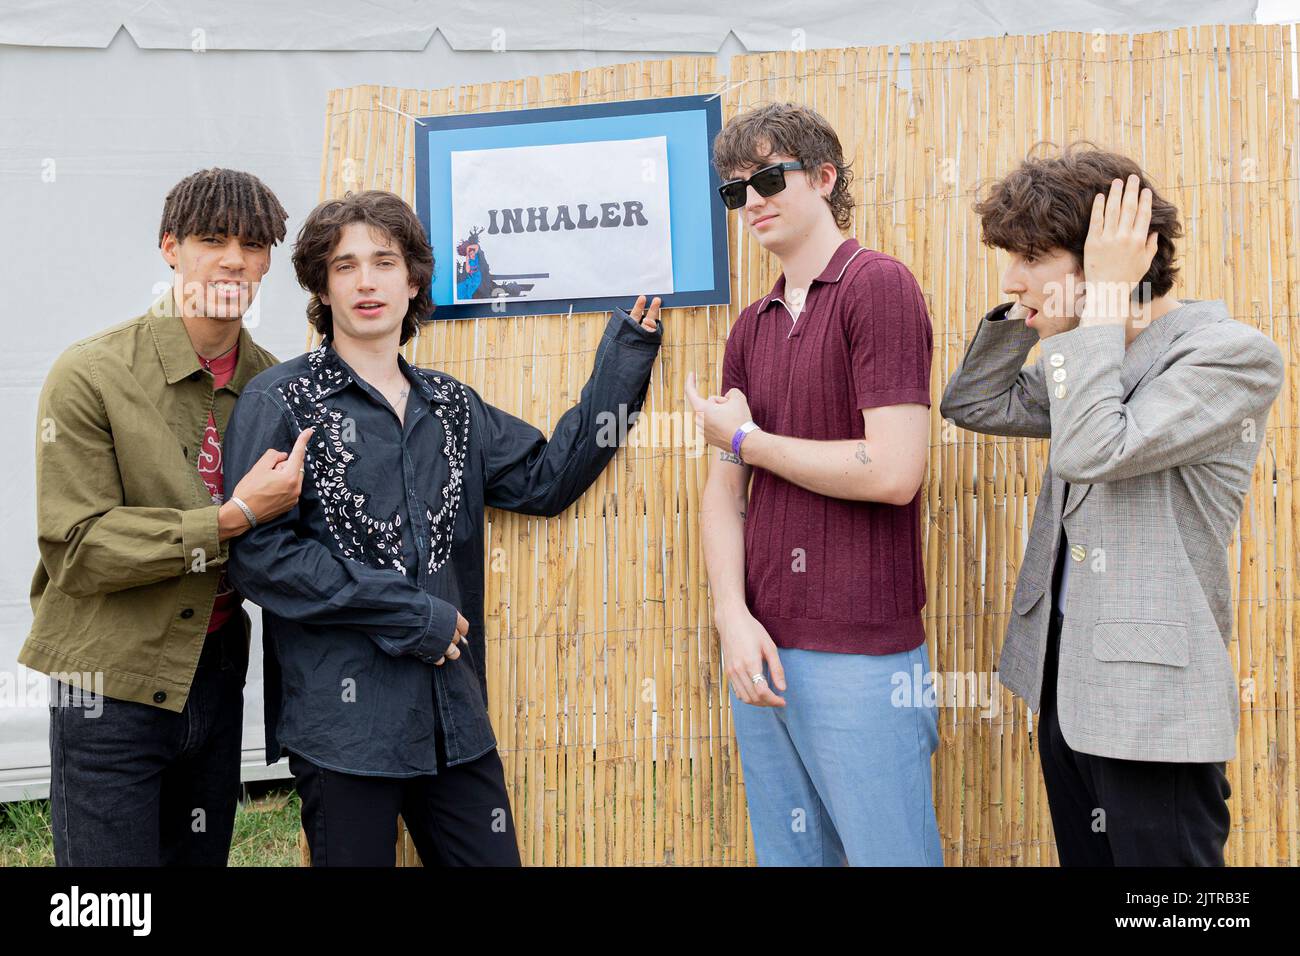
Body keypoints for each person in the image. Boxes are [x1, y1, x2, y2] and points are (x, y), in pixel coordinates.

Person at [223, 189, 663, 866]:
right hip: (344, 729)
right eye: (345, 266)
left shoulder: (452, 406)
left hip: (452, 724)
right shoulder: (282, 399)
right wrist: (404, 611)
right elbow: (258, 556)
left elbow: (547, 480)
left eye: (384, 261)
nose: (367, 281)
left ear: (414, 279)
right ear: (321, 284)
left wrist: (626, 358)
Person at [940, 144, 1285, 865]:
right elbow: (975, 401)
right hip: (1068, 688)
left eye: (1031, 258)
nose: (1010, 278)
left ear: (1110, 261)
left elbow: (1094, 447)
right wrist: (1030, 313)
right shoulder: (1090, 360)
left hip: (1152, 712)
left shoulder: (1228, 354)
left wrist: (1097, 304)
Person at [20, 168, 302, 865]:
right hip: (107, 676)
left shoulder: (275, 389)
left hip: (213, 671)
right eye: (212, 239)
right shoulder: (91, 373)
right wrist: (232, 518)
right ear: (170, 247)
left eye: (252, 242)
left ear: (269, 258)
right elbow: (79, 548)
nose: (234, 258)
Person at [687, 103, 942, 866]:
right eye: (736, 190)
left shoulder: (879, 288)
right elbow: (723, 495)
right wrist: (731, 616)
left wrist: (745, 439)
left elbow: (895, 471)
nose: (753, 200)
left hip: (860, 651)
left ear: (825, 176)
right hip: (760, 647)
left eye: (769, 176)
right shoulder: (750, 326)